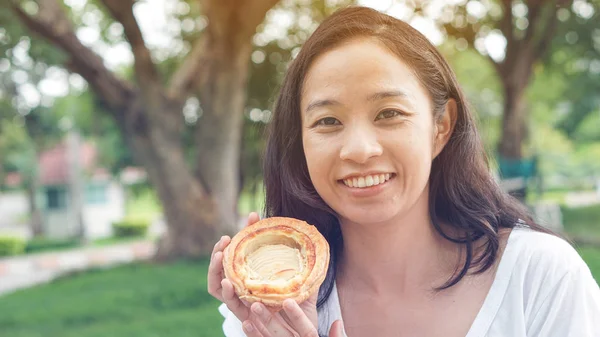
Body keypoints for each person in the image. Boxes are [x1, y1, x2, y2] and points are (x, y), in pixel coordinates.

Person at [208, 6, 600, 337]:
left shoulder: (540, 276)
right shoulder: (270, 309)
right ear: (301, 142)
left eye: (389, 113)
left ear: (441, 126)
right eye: (327, 121)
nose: (360, 149)